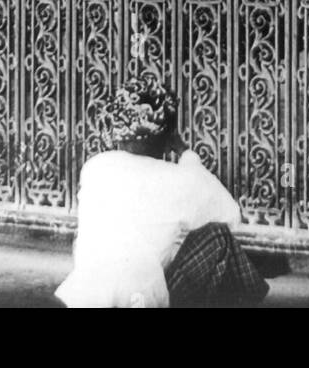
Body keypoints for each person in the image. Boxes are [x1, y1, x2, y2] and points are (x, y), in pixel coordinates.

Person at [56, 72, 269, 309]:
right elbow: (231, 215)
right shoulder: (179, 178)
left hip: (83, 298)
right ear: (168, 136)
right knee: (219, 237)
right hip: (143, 300)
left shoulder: (95, 167)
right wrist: (185, 153)